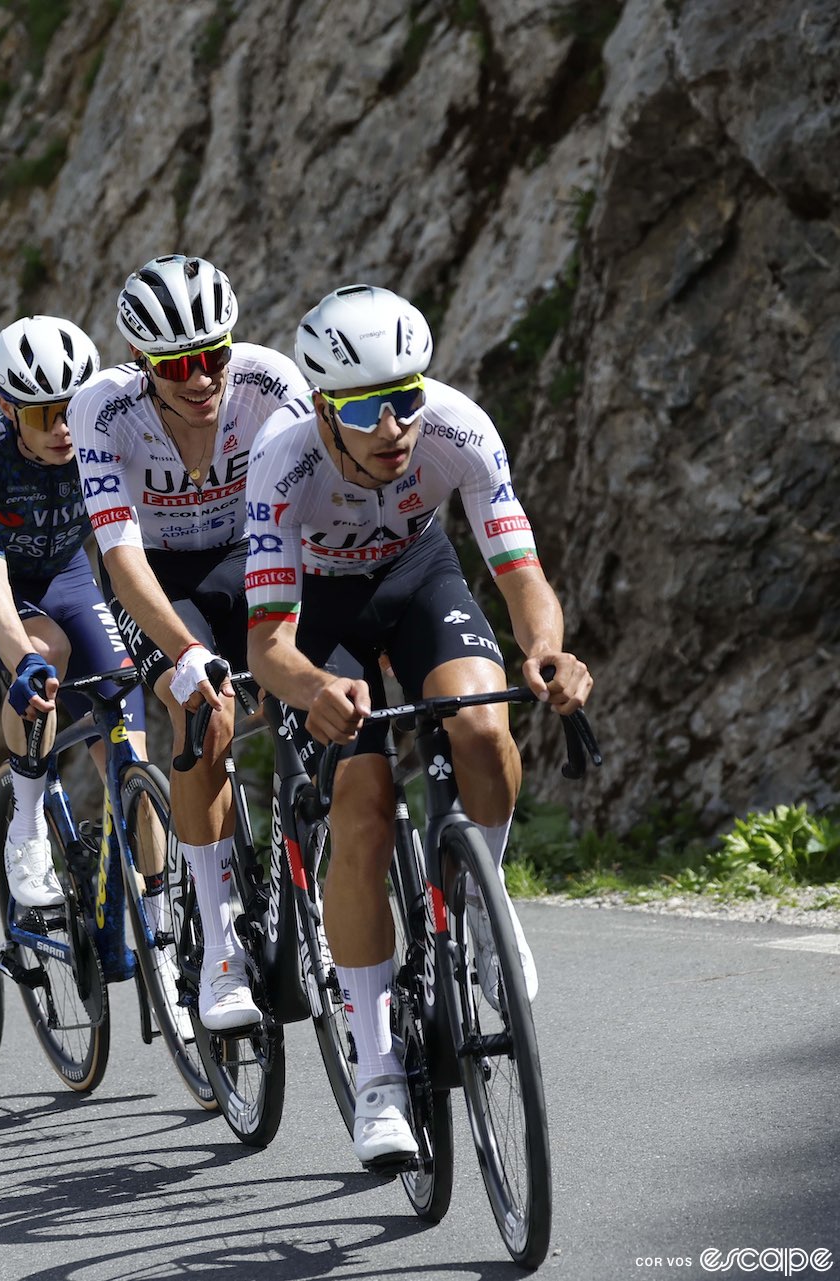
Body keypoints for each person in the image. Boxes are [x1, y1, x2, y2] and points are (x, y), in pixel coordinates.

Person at [243, 284, 592, 1168]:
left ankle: (482, 905)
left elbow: (519, 572)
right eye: (368, 407)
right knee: (360, 805)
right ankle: (377, 1073)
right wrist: (313, 686)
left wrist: (547, 650)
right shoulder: (280, 464)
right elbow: (267, 645)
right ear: (325, 410)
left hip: (416, 575)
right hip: (315, 617)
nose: (396, 423)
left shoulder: (457, 428)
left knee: (480, 728)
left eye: (406, 397)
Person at [75, 254, 309, 1032]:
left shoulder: (271, 382)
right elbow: (122, 560)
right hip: (157, 575)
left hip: (252, 554)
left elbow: (309, 507)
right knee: (203, 711)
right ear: (142, 364)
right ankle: (216, 949)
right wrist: (186, 655)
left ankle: (305, 875)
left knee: (315, 698)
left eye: (214, 355)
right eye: (179, 365)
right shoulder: (104, 413)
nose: (203, 377)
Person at [0, 315, 154, 991]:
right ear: (7, 408)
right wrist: (17, 650)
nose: (63, 427)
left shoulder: (109, 427)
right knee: (44, 650)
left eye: (73, 410)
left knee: (132, 748)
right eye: (44, 414)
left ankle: (164, 917)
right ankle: (26, 827)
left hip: (67, 574)